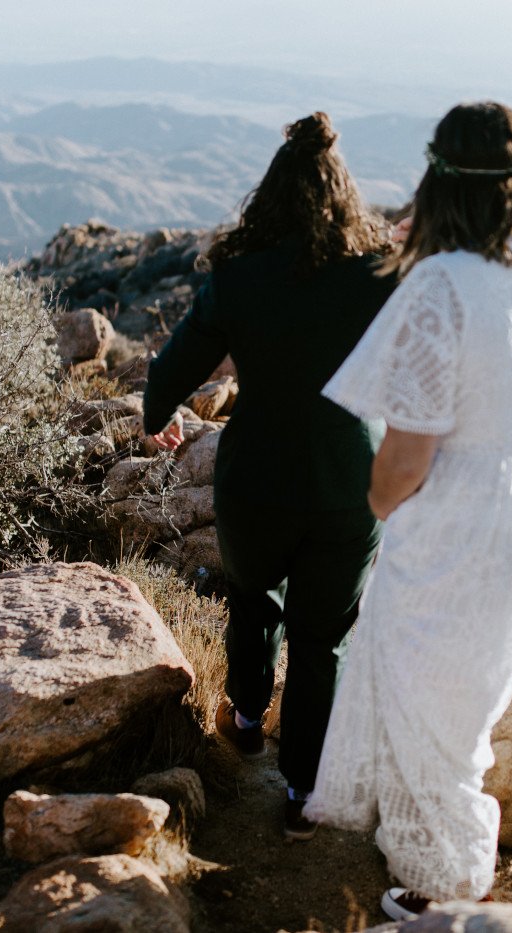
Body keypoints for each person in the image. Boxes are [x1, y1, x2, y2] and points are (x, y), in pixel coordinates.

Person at [302, 101, 512, 921]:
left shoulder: (440, 287)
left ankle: (451, 894)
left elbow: (407, 453)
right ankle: (436, 855)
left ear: (439, 179)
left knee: (434, 701)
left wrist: (379, 502)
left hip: (466, 511)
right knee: (468, 686)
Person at [140, 112, 395, 840]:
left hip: (258, 477)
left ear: (269, 192)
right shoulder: (378, 274)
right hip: (352, 477)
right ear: (344, 192)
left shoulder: (239, 275)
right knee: (326, 639)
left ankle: (248, 720)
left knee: (254, 601)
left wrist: (158, 412)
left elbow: (177, 362)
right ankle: (304, 794)